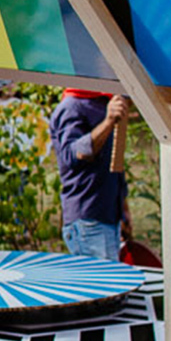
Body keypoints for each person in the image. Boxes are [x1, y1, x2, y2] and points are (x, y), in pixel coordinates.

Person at [50, 90, 135, 260]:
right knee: (104, 285)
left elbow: (112, 163)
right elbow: (72, 154)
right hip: (88, 220)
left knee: (112, 283)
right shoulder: (71, 107)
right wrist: (109, 122)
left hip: (108, 217)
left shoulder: (103, 103)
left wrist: (122, 210)